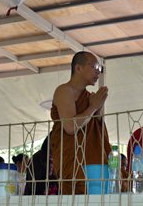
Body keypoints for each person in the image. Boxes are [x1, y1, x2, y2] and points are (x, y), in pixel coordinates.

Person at [49, 51, 111, 194]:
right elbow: (70, 127)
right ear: (78, 68)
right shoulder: (64, 91)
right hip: (74, 161)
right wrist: (93, 107)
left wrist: (98, 108)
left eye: (99, 69)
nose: (98, 72)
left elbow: (98, 130)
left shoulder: (90, 97)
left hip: (94, 162)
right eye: (94, 67)